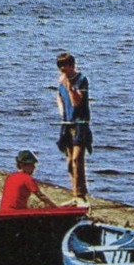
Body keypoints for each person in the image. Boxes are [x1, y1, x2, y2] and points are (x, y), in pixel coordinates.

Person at [55, 52, 92, 202]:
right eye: (60, 66)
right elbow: (58, 95)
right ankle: (74, 190)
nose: (62, 69)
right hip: (67, 123)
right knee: (70, 161)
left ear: (72, 65)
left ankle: (80, 194)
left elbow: (77, 102)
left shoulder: (81, 80)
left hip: (80, 123)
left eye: (65, 66)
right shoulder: (61, 81)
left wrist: (69, 86)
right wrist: (61, 109)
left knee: (77, 159)